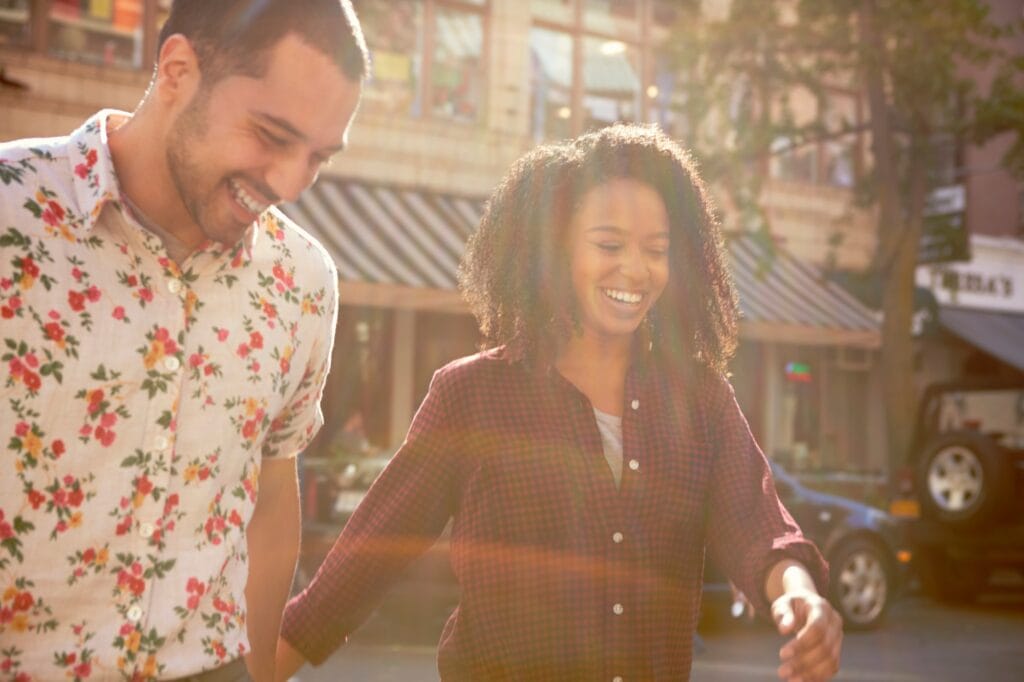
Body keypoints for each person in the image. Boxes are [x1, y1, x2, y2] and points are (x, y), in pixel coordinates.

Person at [276, 124, 843, 681]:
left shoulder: (702, 400)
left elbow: (757, 522)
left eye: (656, 250)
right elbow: (366, 560)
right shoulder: (471, 395)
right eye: (608, 245)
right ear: (554, 250)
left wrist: (799, 592)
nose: (636, 269)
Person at [0, 1, 367, 679]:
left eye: (317, 156)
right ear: (176, 71)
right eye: (271, 134)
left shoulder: (304, 280)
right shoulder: (10, 214)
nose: (290, 183)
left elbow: (271, 494)